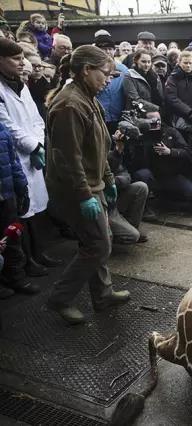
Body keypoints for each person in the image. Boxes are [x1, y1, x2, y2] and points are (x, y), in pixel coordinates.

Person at [46, 45, 131, 325]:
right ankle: (59, 299)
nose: (108, 80)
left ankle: (102, 294)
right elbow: (69, 159)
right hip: (75, 188)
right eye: (105, 74)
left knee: (96, 241)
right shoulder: (69, 104)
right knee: (98, 246)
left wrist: (106, 179)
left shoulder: (87, 96)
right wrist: (85, 194)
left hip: (92, 183)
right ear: (86, 70)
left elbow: (99, 144)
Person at [0, 39, 54, 277]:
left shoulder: (22, 86)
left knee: (36, 210)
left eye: (23, 58)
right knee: (22, 212)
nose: (23, 63)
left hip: (33, 155)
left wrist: (39, 144)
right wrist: (32, 147)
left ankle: (39, 253)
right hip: (16, 158)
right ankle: (27, 261)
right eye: (16, 59)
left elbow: (36, 119)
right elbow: (8, 126)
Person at [0, 120, 35, 297]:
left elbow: (13, 161)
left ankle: (16, 277)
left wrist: (22, 187)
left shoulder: (2, 130)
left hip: (7, 195)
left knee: (13, 236)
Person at [165, 50, 192, 137]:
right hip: (179, 119)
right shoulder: (172, 79)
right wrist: (189, 113)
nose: (188, 65)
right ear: (179, 62)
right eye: (185, 63)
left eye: (190, 63)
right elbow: (172, 99)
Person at [95, 33, 130, 134]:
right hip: (98, 118)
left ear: (115, 50)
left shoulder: (123, 69)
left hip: (118, 119)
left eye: (110, 49)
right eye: (104, 49)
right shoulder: (91, 69)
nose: (107, 52)